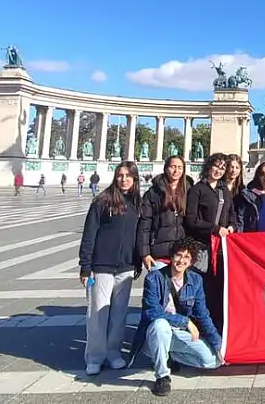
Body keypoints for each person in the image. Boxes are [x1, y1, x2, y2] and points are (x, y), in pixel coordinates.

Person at [78, 161, 146, 375]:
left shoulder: (138, 203)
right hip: (102, 266)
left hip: (125, 266)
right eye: (120, 175)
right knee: (98, 313)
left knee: (119, 314)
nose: (124, 179)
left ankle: (113, 352)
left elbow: (137, 236)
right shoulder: (102, 201)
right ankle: (95, 356)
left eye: (128, 175)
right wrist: (85, 266)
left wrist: (137, 261)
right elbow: (89, 234)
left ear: (135, 179)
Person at [134, 237, 222, 397]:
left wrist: (218, 345)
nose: (181, 260)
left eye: (187, 257)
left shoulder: (196, 280)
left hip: (179, 333)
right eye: (178, 255)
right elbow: (152, 311)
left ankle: (167, 354)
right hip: (156, 332)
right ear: (172, 256)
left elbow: (203, 314)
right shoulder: (154, 278)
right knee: (161, 325)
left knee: (212, 361)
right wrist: (185, 321)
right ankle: (162, 376)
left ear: (191, 261)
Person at [184, 153, 235, 325]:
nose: (218, 170)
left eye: (222, 168)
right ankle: (195, 323)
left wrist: (231, 226)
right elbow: (191, 219)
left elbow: (231, 214)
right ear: (208, 166)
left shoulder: (224, 190)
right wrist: (214, 229)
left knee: (217, 286)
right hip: (201, 245)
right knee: (200, 286)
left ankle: (215, 324)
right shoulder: (197, 189)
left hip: (220, 247)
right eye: (216, 166)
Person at [141, 156, 192, 272]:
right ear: (166, 168)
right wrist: (145, 253)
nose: (176, 171)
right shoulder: (153, 193)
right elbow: (145, 225)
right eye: (173, 167)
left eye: (180, 168)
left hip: (182, 253)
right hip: (159, 253)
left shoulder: (190, 191)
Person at [236, 161, 265, 232]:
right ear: (258, 177)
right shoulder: (249, 197)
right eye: (262, 174)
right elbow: (241, 220)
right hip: (256, 239)